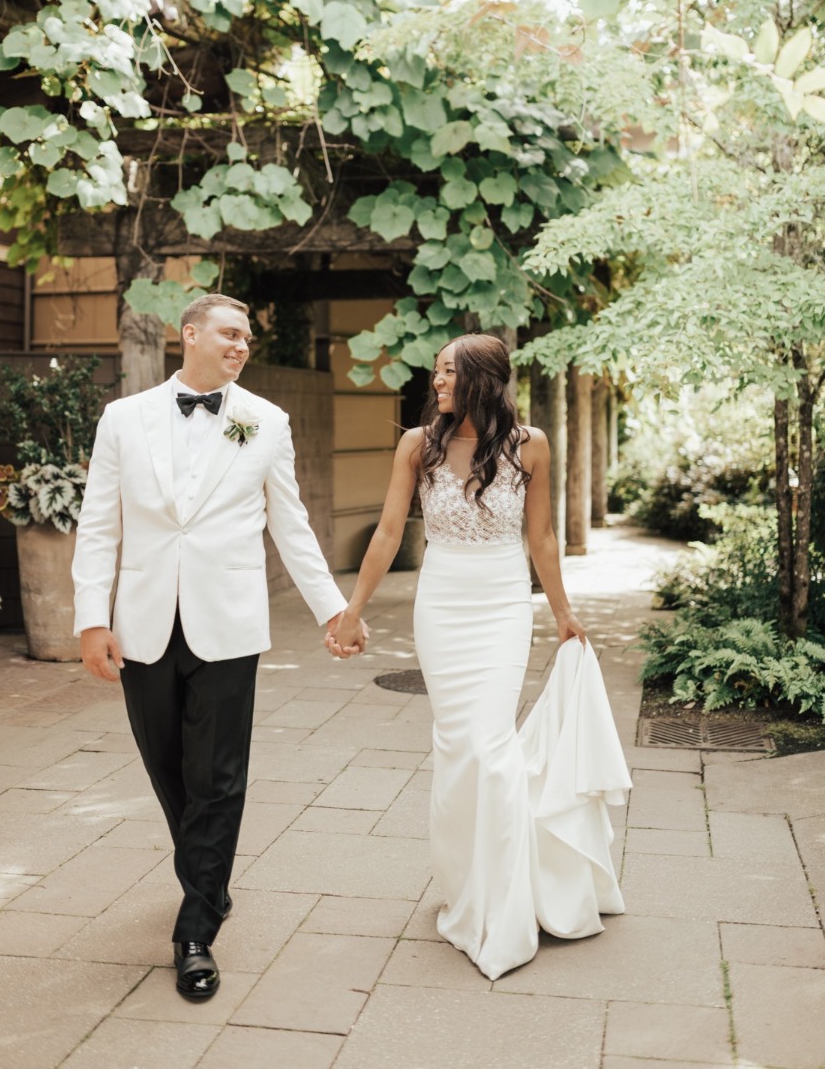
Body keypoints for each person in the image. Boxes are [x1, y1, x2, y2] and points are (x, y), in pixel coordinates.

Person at [72, 293, 367, 1001]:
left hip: (228, 626)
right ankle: (207, 875)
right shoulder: (124, 418)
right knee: (168, 765)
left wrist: (335, 609)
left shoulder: (263, 421)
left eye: (247, 338)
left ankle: (196, 929)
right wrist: (91, 619)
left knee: (219, 775)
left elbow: (290, 525)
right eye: (230, 333)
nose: (241, 346)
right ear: (191, 334)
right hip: (144, 623)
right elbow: (99, 525)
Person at [328, 332, 631, 981]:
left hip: (500, 607)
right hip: (441, 606)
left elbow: (541, 536)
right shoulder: (418, 446)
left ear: (480, 380)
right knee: (458, 747)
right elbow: (386, 531)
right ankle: (466, 887)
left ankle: (508, 901)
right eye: (434, 373)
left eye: (445, 373)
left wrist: (562, 612)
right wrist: (352, 609)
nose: (434, 383)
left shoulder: (532, 446)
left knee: (492, 749)